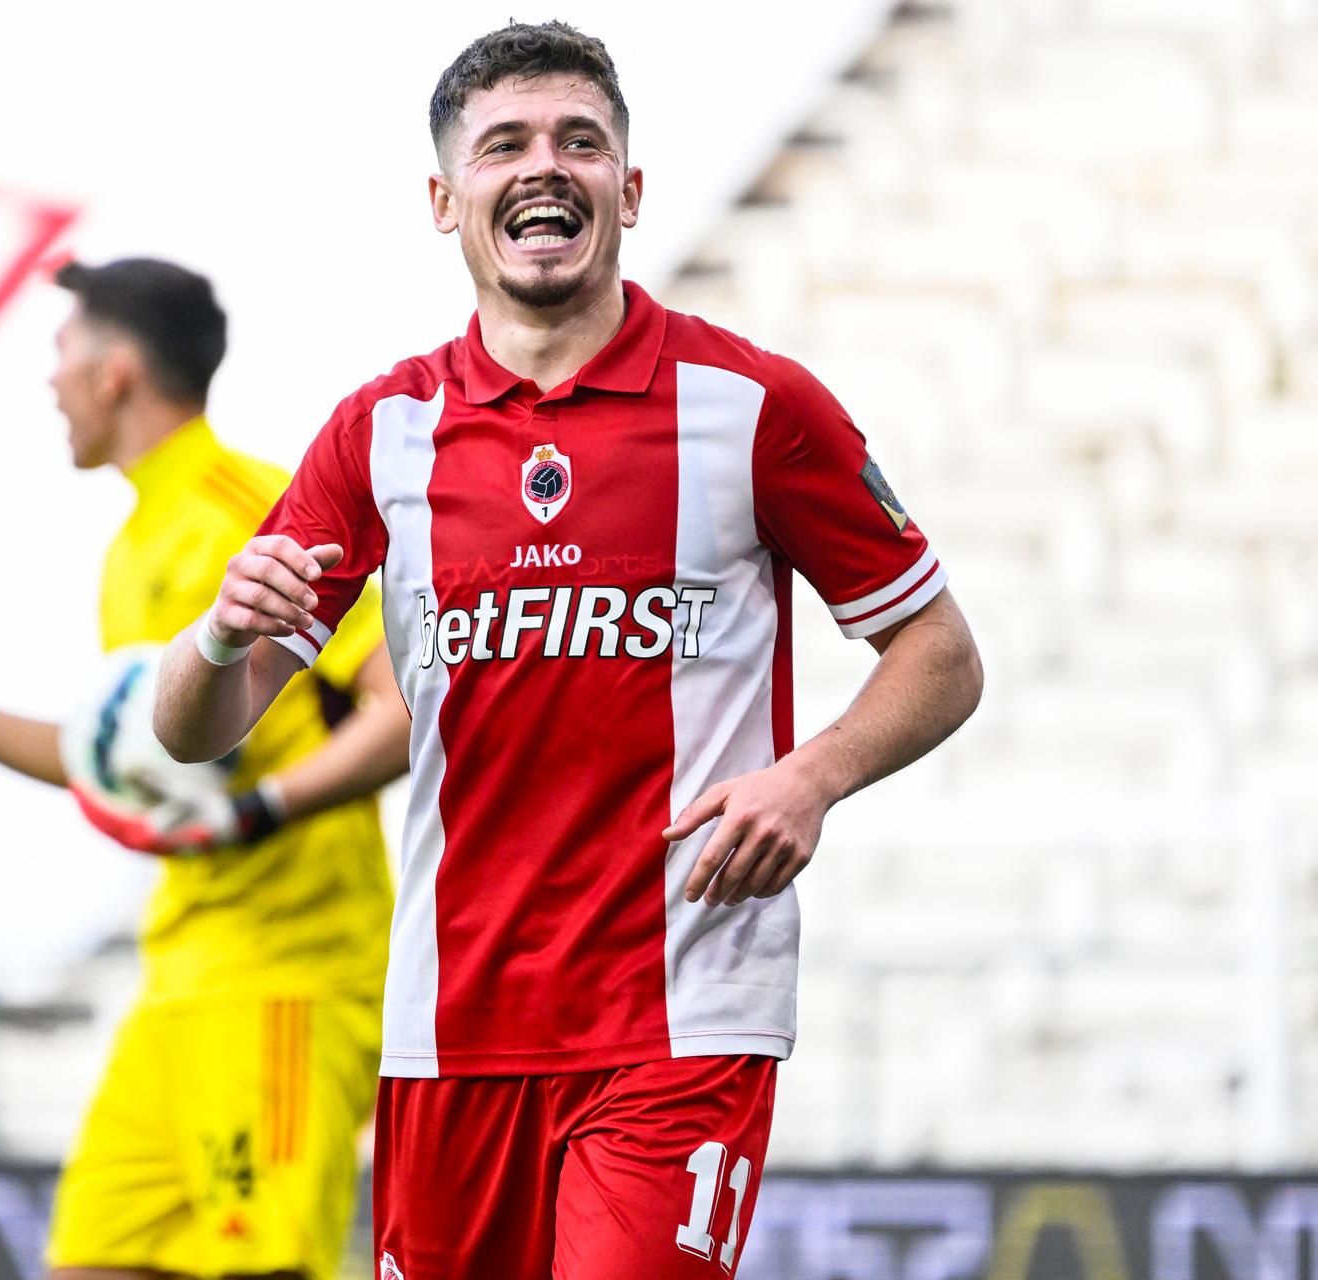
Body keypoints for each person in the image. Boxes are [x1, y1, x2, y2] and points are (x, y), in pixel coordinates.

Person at [152, 22, 984, 1279]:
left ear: (630, 190)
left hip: (681, 1014)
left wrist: (810, 775)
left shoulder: (752, 408)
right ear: (446, 200)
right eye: (505, 146)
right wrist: (219, 634)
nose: (545, 168)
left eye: (579, 142)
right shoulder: (381, 436)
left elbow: (940, 648)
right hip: (450, 1028)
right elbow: (194, 732)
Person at [0, 258, 406, 1280]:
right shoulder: (133, 548)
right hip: (180, 976)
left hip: (287, 978)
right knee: (87, 1263)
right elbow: (115, 769)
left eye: (62, 350)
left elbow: (408, 706)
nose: (51, 379)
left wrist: (258, 810)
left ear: (116, 373)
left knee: (269, 1269)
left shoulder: (249, 504)